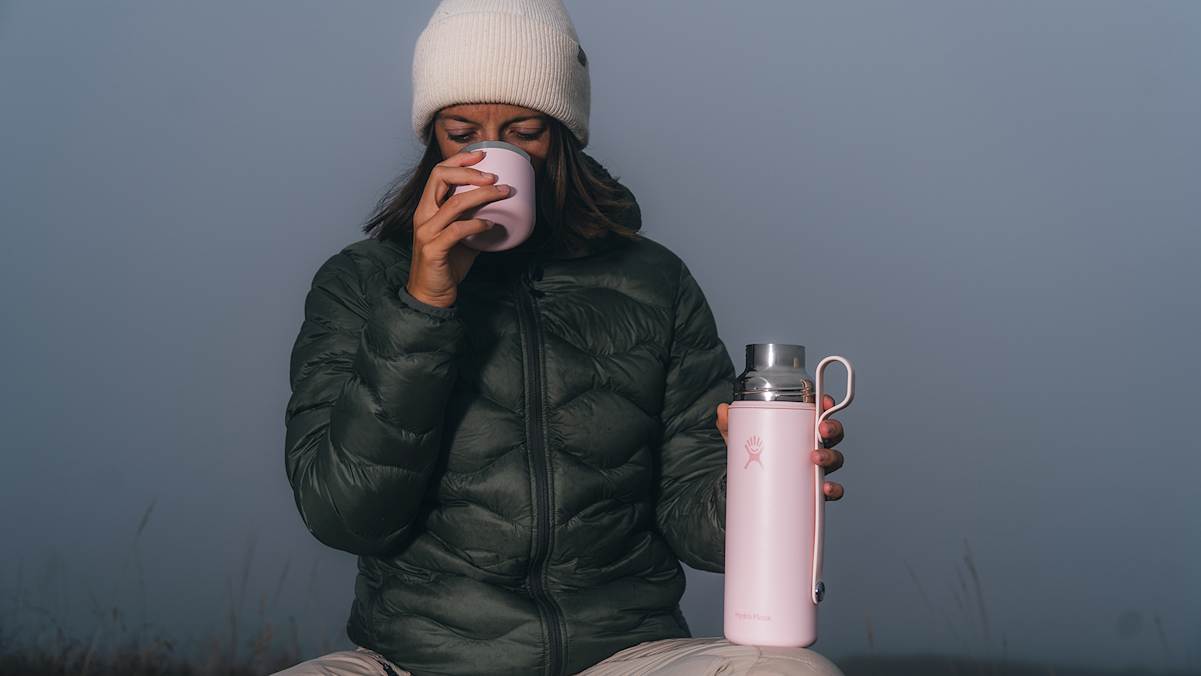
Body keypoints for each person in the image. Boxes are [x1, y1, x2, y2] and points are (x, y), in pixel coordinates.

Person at [274, 1, 849, 674]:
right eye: (463, 131)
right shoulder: (360, 282)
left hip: (625, 655)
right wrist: (423, 301)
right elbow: (344, 517)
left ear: (565, 136)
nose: (492, 155)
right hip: (417, 659)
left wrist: (765, 478)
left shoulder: (651, 282)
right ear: (432, 137)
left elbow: (701, 531)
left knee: (791, 671)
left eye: (525, 130)